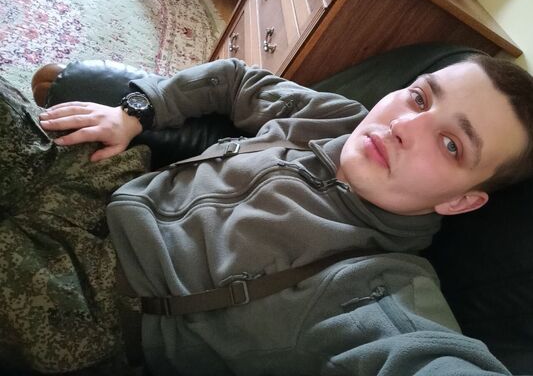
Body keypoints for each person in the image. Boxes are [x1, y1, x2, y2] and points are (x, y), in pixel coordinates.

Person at [1, 55, 532, 375]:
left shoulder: (381, 287)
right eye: (419, 98)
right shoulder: (336, 118)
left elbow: (425, 358)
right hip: (104, 183)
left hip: (91, 303)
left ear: (461, 201)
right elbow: (237, 80)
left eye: (451, 144)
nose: (403, 126)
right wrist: (139, 111)